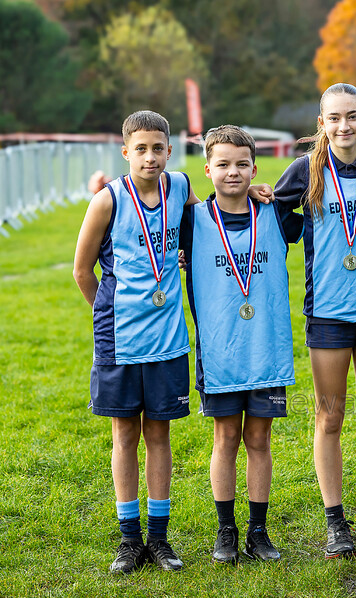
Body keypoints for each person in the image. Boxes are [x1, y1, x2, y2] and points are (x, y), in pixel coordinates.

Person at [73, 111, 273, 574]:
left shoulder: (181, 188)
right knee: (124, 434)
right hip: (119, 339)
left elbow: (214, 215)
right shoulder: (107, 201)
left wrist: (256, 191)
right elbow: (83, 271)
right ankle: (129, 539)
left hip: (168, 339)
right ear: (125, 152)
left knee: (159, 434)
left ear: (170, 150)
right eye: (140, 149)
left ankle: (160, 540)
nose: (150, 156)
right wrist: (107, 314)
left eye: (158, 148)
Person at [273, 83, 356, 559]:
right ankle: (335, 524)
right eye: (334, 118)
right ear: (322, 123)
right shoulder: (305, 169)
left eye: (352, 116)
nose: (344, 126)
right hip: (327, 314)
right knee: (329, 417)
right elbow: (275, 209)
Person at [180, 126, 301, 564]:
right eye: (224, 164)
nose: (233, 172)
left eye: (242, 164)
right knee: (225, 438)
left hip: (265, 350)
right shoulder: (190, 222)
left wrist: (269, 192)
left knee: (260, 441)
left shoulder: (276, 213)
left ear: (255, 168)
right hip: (221, 354)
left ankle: (259, 531)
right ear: (207, 169)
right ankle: (226, 531)